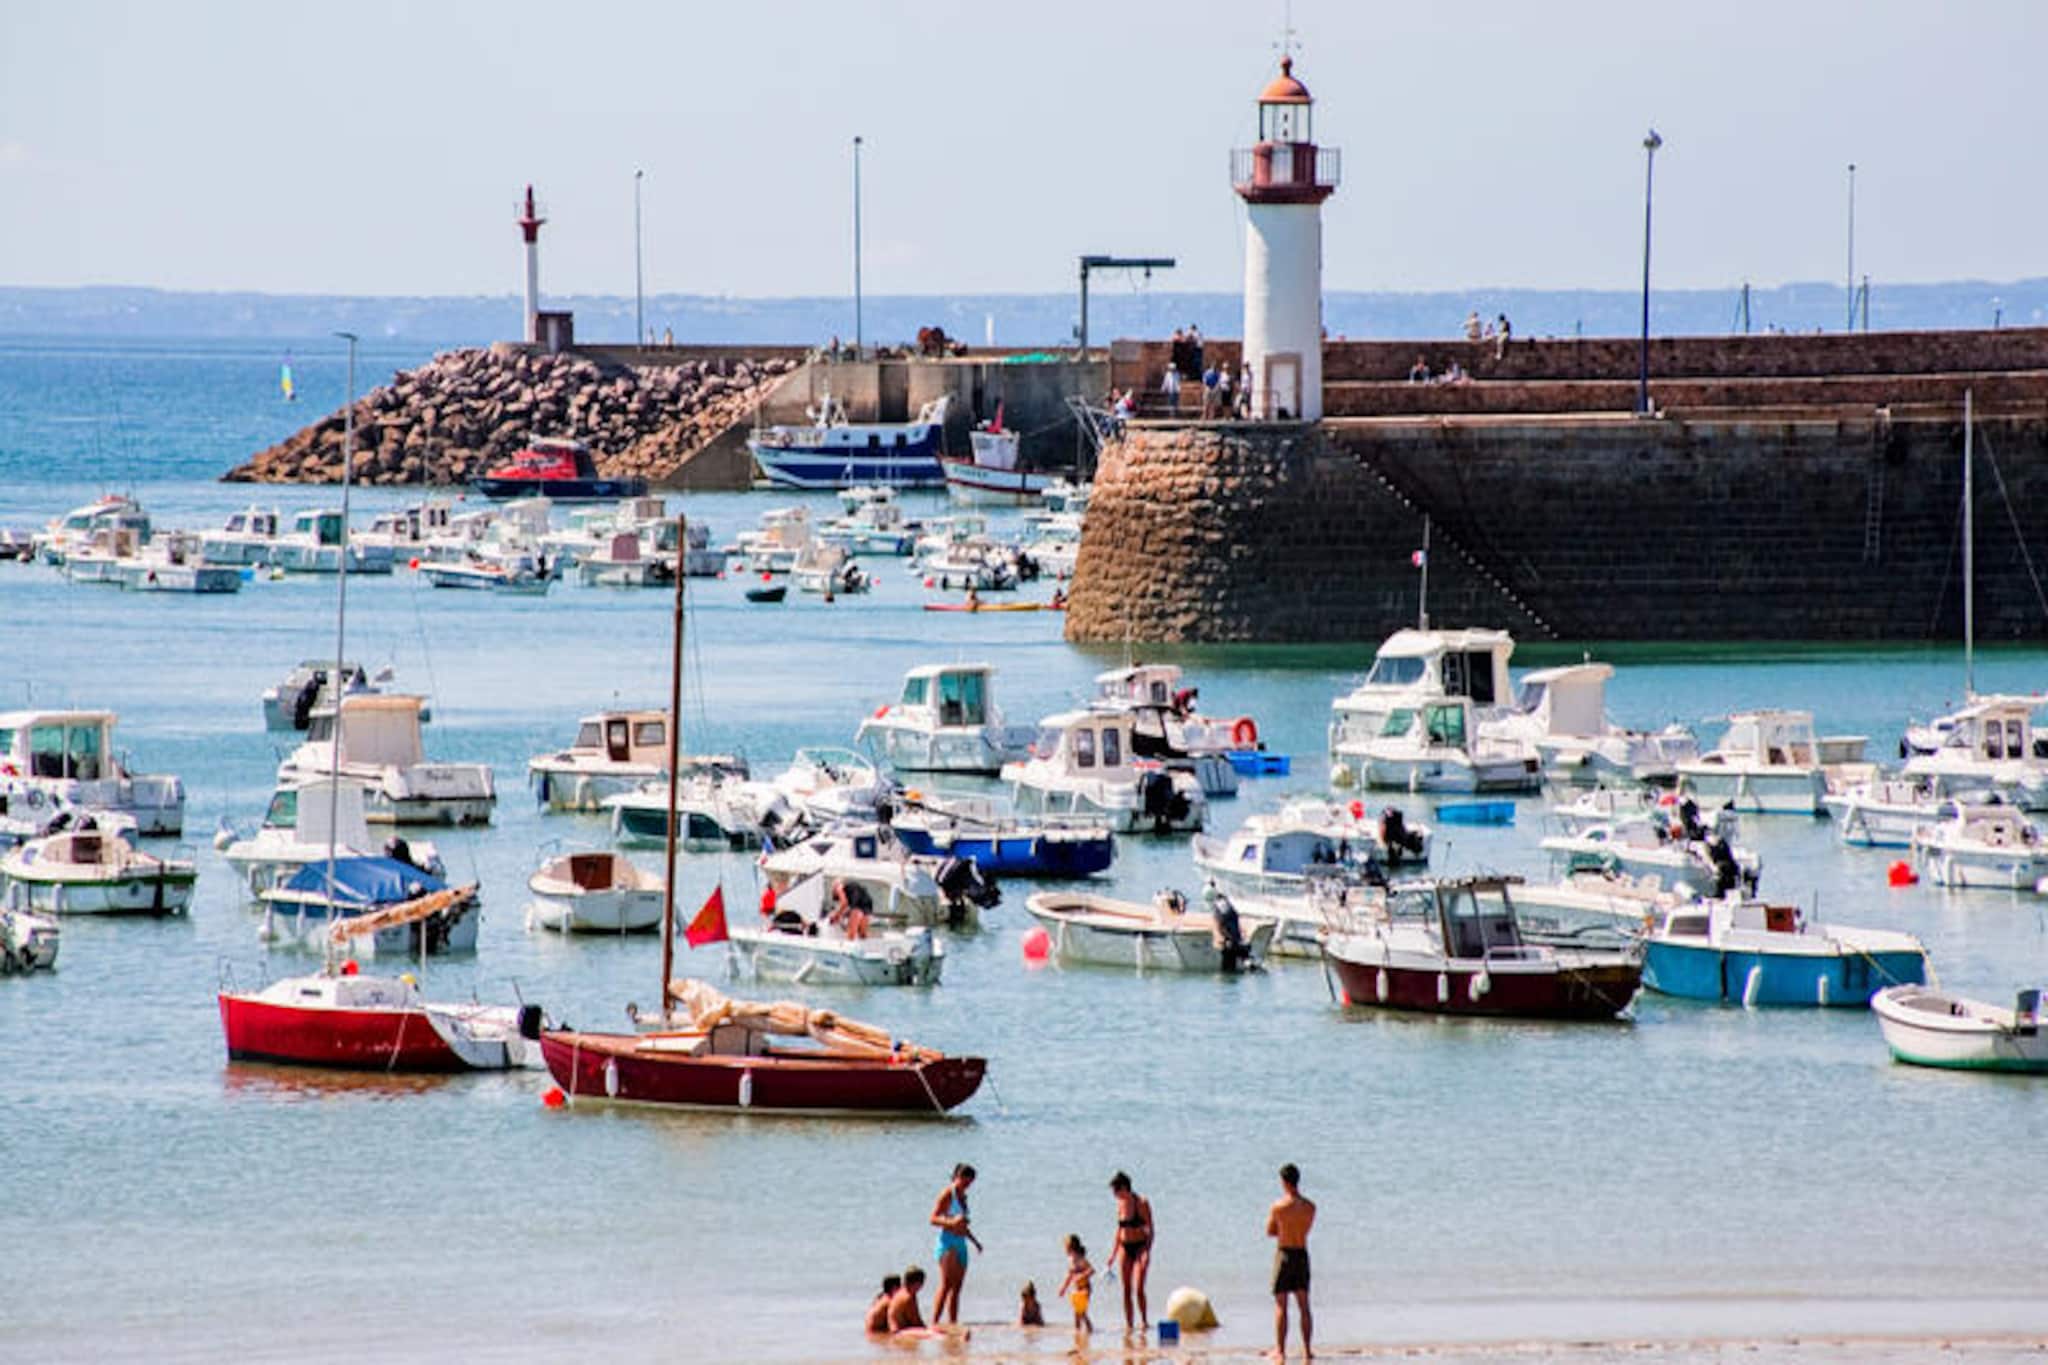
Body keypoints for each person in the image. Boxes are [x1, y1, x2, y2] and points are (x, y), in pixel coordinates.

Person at [1267, 1163, 1316, 1361]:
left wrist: (1284, 1228)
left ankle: (1280, 1350)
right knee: (1304, 1305)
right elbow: (1306, 1229)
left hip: (1285, 1253)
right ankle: (1307, 1349)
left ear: (1284, 1182)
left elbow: (1270, 1231)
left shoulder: (1279, 1207)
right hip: (1301, 1254)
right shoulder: (1310, 1207)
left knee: (1281, 1305)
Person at [929, 1163, 978, 1325]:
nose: (967, 1185)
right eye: (965, 1181)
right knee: (946, 1285)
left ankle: (953, 1323)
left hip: (961, 1242)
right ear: (957, 1177)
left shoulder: (963, 1197)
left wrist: (975, 1242)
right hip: (947, 1242)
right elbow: (933, 1218)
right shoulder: (947, 1194)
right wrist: (951, 1222)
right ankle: (934, 1322)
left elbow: (963, 1225)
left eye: (970, 1183)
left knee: (957, 1287)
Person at [1106, 1171, 1153, 1332]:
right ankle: (1129, 1325)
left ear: (1124, 1188)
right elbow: (1119, 1230)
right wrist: (1112, 1255)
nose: (1114, 1195)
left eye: (1116, 1190)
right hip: (1125, 1248)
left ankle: (1144, 1321)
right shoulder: (1120, 1204)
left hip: (1140, 1247)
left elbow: (1150, 1230)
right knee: (1126, 1290)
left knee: (1139, 1288)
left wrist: (1147, 1251)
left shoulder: (1141, 1202)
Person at [1058, 1235, 1096, 1333]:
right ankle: (1078, 1331)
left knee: (1082, 1312)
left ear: (1070, 1247)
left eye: (1065, 1247)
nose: (1064, 1250)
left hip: (1085, 1288)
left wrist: (1082, 1276)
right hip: (1076, 1289)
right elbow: (1070, 1276)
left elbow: (1092, 1270)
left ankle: (1089, 1329)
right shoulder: (1071, 1260)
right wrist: (1063, 1288)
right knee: (1077, 1312)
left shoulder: (1080, 1259)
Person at [887, 1266, 927, 1333]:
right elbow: (916, 1322)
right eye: (922, 1282)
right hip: (899, 1332)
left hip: (896, 1330)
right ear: (917, 1283)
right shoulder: (908, 1297)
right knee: (937, 1335)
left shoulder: (901, 1292)